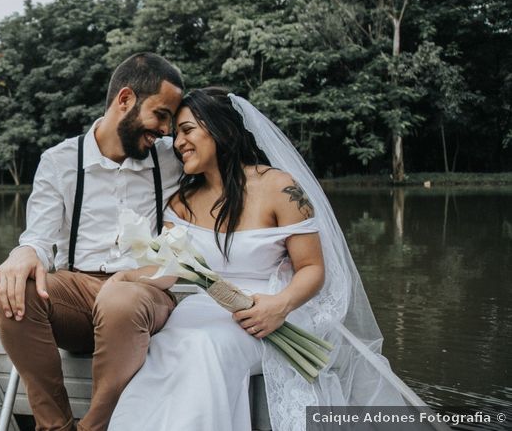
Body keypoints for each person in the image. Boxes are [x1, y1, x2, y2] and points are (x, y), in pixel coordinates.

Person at [109, 87, 405, 431]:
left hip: (271, 310)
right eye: (176, 134)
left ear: (225, 131)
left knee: (205, 347)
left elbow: (312, 269)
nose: (177, 143)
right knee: (166, 348)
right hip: (199, 312)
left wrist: (279, 306)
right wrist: (127, 278)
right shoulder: (182, 203)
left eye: (188, 130)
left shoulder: (280, 188)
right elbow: (170, 273)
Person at [0, 52, 185, 431]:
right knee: (16, 290)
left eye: (172, 120)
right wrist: (21, 253)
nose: (167, 130)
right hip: (78, 290)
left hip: (145, 291)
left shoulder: (173, 158)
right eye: (161, 115)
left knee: (120, 299)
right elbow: (38, 238)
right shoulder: (60, 160)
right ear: (125, 100)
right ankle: (56, 426)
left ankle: (95, 426)